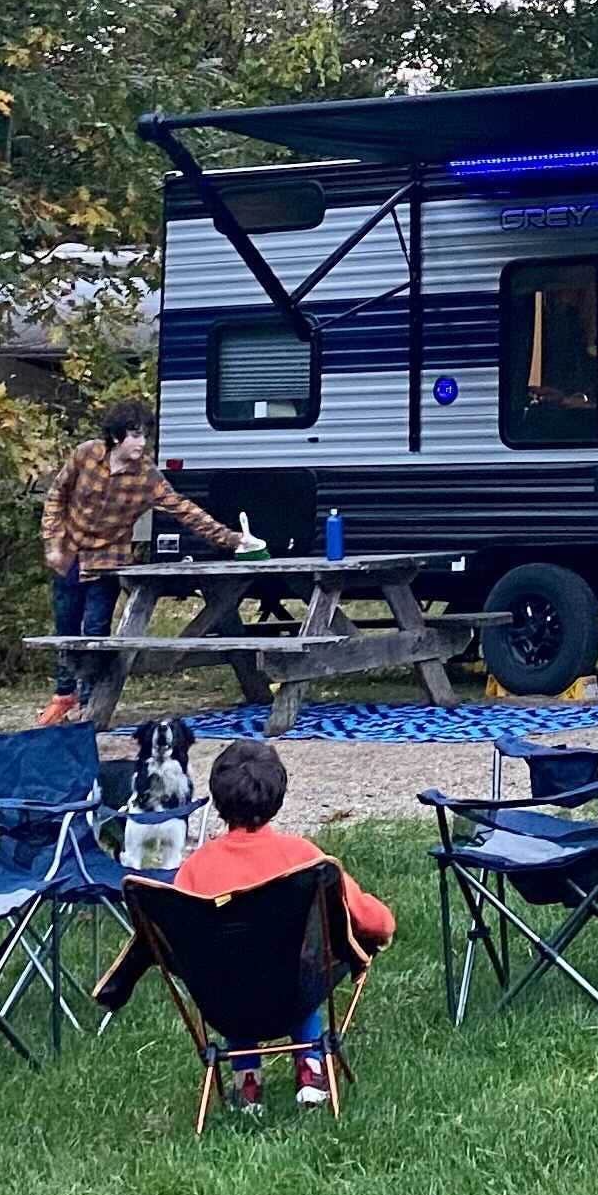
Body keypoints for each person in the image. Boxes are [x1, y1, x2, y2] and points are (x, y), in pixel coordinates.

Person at [101, 737, 394, 1107]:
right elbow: (374, 923)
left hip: (222, 1004)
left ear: (218, 800)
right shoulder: (306, 860)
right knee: (303, 961)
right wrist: (382, 925)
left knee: (232, 964)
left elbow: (171, 944)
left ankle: (247, 1078)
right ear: (277, 796)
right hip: (294, 994)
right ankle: (310, 1065)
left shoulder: (195, 869)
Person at [37, 394, 239, 723]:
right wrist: (52, 543)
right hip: (70, 552)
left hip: (108, 560)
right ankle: (64, 694)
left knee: (95, 630)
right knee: (66, 626)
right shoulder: (86, 454)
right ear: (117, 436)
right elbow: (56, 496)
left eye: (145, 436)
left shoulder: (147, 476)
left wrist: (231, 539)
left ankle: (89, 700)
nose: (141, 443)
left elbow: (185, 510)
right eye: (135, 435)